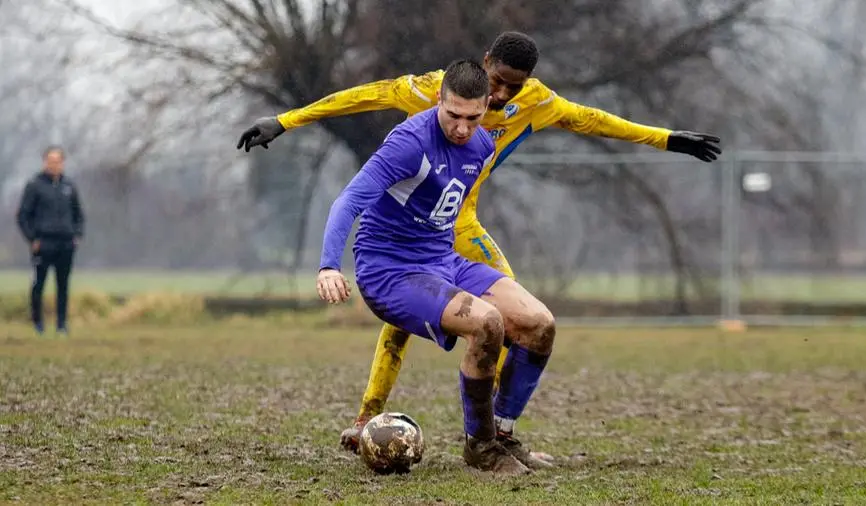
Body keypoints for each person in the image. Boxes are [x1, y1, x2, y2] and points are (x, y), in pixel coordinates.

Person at [238, 31, 721, 452]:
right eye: (498, 79)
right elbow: (362, 97)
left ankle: (493, 434)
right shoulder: (435, 90)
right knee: (407, 315)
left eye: (514, 85)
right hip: (411, 234)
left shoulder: (535, 102)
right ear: (485, 61)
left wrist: (667, 139)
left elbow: (593, 120)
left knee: (521, 323)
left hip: (460, 228)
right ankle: (368, 418)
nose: (501, 92)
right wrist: (286, 120)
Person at [317, 59, 558, 475]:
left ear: (486, 108)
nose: (463, 128)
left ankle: (501, 434)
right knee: (487, 323)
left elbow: (443, 209)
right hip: (389, 271)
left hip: (443, 262)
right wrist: (328, 266)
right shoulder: (409, 142)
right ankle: (480, 448)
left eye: (473, 117)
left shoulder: (483, 146)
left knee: (539, 324)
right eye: (453, 116)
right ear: (439, 102)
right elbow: (349, 201)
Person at [16, 146, 85, 336]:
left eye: (58, 161)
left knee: (63, 285)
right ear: (44, 162)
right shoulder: (35, 185)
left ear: (62, 163)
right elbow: (23, 215)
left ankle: (61, 324)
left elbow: (78, 214)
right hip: (43, 242)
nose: (54, 165)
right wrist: (32, 238)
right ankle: (38, 322)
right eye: (50, 161)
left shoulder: (69, 186)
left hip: (65, 242)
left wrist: (77, 235)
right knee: (39, 283)